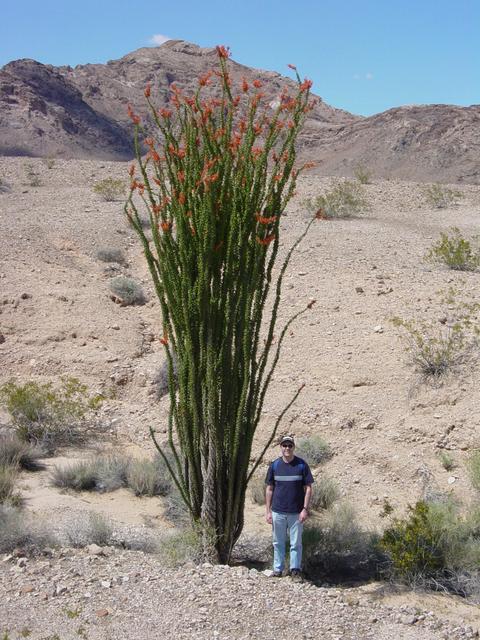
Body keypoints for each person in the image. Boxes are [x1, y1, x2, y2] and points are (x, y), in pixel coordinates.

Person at [265, 435, 314, 578]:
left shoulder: (301, 465)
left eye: (290, 445)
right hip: (278, 511)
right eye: (284, 445)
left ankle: (295, 570)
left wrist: (305, 509)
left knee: (296, 543)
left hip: (296, 512)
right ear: (280, 447)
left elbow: (308, 488)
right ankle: (277, 569)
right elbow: (269, 489)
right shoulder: (274, 466)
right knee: (277, 542)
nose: (287, 448)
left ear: (294, 447)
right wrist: (268, 511)